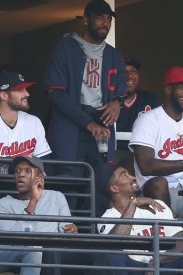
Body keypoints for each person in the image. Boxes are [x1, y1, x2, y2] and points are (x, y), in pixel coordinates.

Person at [43, 0, 127, 216]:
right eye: (100, 18)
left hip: (101, 126)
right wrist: (87, 122)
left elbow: (120, 92)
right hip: (70, 127)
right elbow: (56, 94)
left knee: (100, 183)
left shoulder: (114, 55)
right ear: (86, 19)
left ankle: (94, 243)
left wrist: (117, 103)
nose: (105, 23)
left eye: (108, 19)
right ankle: (66, 242)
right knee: (68, 184)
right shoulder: (64, 48)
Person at [129, 66, 183, 219]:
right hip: (158, 193)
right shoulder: (148, 120)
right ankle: (170, 237)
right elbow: (146, 165)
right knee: (158, 183)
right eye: (182, 87)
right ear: (169, 90)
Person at [96, 166, 183, 275]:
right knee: (113, 255)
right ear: (114, 188)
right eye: (125, 175)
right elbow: (114, 244)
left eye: (130, 174)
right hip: (133, 268)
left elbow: (180, 243)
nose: (133, 177)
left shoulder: (158, 205)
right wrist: (133, 204)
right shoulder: (107, 218)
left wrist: (156, 262)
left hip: (163, 265)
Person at [0, 156, 78, 275]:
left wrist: (71, 230)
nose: (20, 175)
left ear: (40, 178)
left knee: (98, 253)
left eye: (27, 171)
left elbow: (65, 230)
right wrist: (33, 202)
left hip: (56, 251)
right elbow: (10, 240)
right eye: (17, 170)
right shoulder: (3, 204)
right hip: (23, 255)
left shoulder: (56, 196)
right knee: (46, 250)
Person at [116, 55, 160, 132]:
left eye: (133, 71)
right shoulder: (109, 101)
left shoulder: (151, 99)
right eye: (123, 71)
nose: (129, 76)